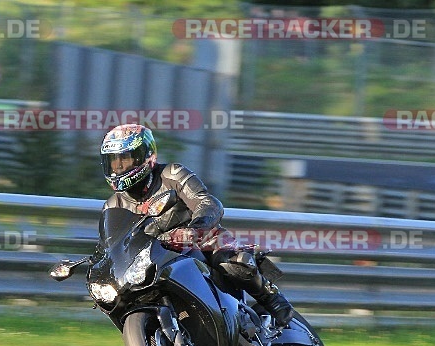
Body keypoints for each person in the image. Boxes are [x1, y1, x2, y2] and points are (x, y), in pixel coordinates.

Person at [100, 123, 294, 327]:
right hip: (153, 257)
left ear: (145, 155)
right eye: (114, 163)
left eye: (126, 160)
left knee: (230, 260)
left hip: (198, 240)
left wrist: (196, 229)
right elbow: (111, 246)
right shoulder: (113, 205)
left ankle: (273, 299)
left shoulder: (171, 174)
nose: (119, 168)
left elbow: (207, 202)